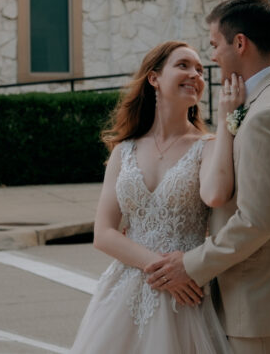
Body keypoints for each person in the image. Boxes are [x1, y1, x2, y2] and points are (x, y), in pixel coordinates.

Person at [145, 0, 270, 354]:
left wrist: (190, 265)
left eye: (215, 44)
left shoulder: (269, 114)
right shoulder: (260, 103)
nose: (213, 56)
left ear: (240, 43)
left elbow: (256, 221)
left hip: (260, 309)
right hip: (249, 304)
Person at [68, 40, 245, 353]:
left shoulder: (208, 145)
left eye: (200, 70)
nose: (195, 75)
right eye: (183, 65)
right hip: (126, 292)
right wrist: (163, 270)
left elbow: (215, 195)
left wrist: (225, 120)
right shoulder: (125, 149)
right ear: (154, 78)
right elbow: (103, 233)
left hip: (186, 298)